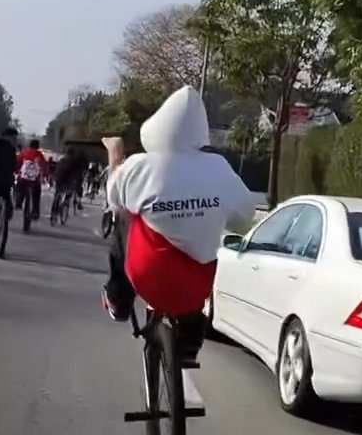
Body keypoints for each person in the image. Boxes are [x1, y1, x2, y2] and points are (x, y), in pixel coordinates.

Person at [101, 85, 255, 361]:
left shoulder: (139, 165)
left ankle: (118, 299)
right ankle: (190, 336)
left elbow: (113, 199)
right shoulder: (219, 167)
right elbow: (245, 217)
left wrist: (115, 154)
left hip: (146, 273)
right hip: (196, 286)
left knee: (123, 220)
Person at [15, 138, 48, 220]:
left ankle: (18, 202)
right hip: (35, 180)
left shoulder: (24, 153)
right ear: (37, 146)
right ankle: (35, 211)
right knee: (36, 195)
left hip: (23, 179)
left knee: (19, 189)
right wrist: (45, 175)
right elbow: (44, 166)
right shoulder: (39, 154)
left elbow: (17, 163)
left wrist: (16, 171)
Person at [51, 146, 86, 215]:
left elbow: (56, 169)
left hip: (58, 178)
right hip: (68, 180)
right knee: (69, 192)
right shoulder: (75, 162)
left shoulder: (62, 160)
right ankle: (66, 202)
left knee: (57, 193)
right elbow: (77, 173)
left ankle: (53, 211)